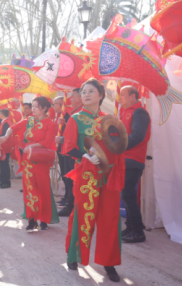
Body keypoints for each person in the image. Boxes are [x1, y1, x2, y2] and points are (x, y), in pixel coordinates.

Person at [62, 78, 125, 282]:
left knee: (110, 219)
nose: (86, 94)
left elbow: (118, 143)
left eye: (90, 91)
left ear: (100, 95)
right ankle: (74, 255)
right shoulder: (75, 118)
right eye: (83, 91)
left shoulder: (111, 119)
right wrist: (84, 155)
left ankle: (109, 263)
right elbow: (68, 146)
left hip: (109, 175)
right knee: (83, 216)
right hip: (87, 175)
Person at [0, 97, 59, 231]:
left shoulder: (51, 124)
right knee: (29, 189)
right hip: (28, 159)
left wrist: (31, 146)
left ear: (44, 108)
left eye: (36, 106)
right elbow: (13, 127)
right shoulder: (29, 120)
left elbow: (47, 142)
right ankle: (32, 219)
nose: (33, 109)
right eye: (33, 106)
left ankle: (44, 219)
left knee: (43, 189)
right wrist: (6, 136)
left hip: (41, 160)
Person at [119, 85, 151, 243]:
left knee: (128, 195)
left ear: (133, 96)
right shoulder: (125, 112)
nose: (120, 98)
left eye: (123, 95)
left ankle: (138, 231)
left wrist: (118, 146)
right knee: (127, 195)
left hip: (133, 158)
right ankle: (131, 228)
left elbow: (138, 136)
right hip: (124, 158)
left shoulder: (139, 112)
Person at [57, 88, 82, 216]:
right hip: (67, 151)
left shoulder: (80, 114)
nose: (70, 99)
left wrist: (61, 138)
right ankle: (70, 205)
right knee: (68, 180)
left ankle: (72, 206)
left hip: (74, 154)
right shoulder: (73, 114)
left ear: (79, 99)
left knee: (73, 182)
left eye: (72, 97)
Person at [0, 109, 13, 189]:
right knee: (2, 163)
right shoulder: (5, 121)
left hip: (5, 145)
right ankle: (2, 180)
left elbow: (4, 134)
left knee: (4, 163)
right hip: (3, 145)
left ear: (1, 113)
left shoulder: (6, 122)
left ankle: (6, 181)